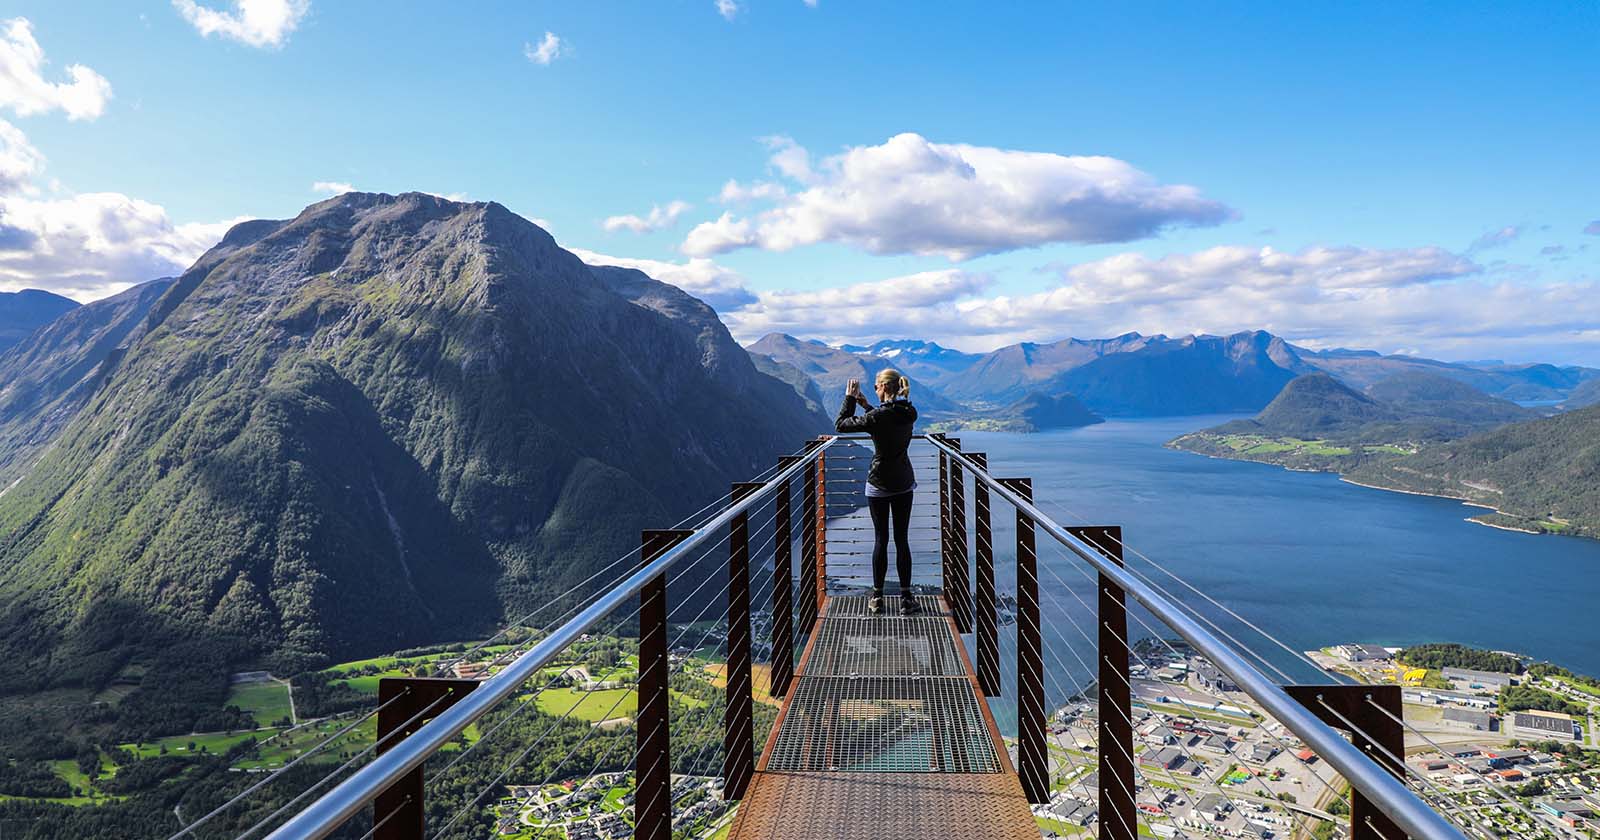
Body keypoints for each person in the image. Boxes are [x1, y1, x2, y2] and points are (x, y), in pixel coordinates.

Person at [834, 368, 919, 615]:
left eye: (875, 386)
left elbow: (841, 425)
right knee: (902, 540)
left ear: (883, 387)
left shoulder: (879, 417)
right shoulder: (909, 412)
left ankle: (878, 598)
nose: (874, 389)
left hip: (879, 484)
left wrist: (850, 399)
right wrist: (868, 405)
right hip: (904, 482)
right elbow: (886, 420)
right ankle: (906, 598)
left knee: (881, 540)